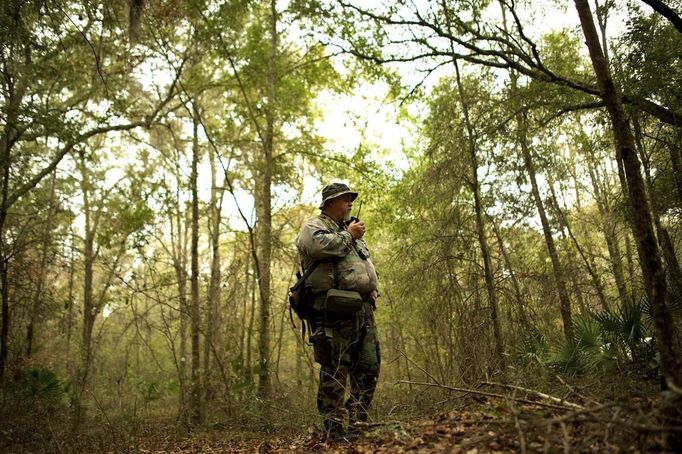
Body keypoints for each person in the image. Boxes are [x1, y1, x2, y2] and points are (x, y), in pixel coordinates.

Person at [295, 182, 381, 440]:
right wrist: (350, 235)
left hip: (363, 310)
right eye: (346, 199)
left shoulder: (349, 231)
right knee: (335, 369)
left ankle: (356, 424)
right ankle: (334, 431)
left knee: (369, 367)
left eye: (351, 200)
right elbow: (320, 247)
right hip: (333, 311)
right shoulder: (314, 227)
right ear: (331, 202)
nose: (350, 204)